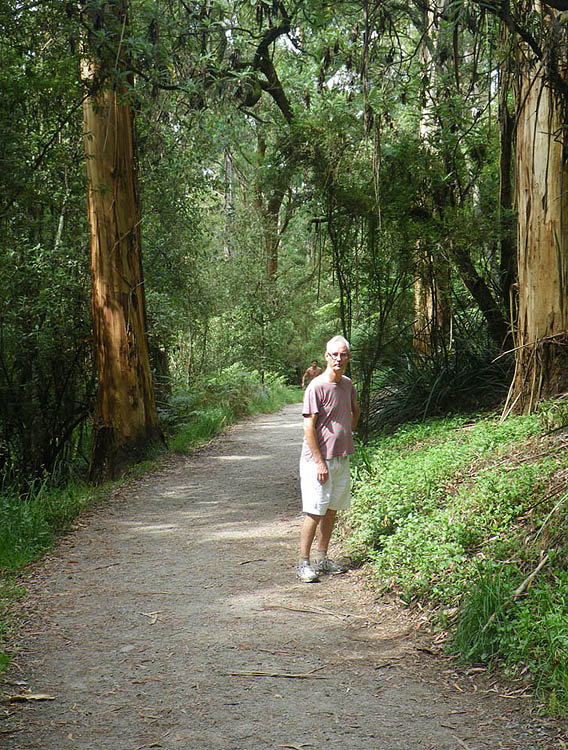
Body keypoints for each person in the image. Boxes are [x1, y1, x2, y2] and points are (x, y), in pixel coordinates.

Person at [297, 335, 360, 583]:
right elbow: (308, 427)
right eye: (334, 354)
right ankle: (303, 563)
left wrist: (347, 433)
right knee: (314, 511)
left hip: (341, 457)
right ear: (326, 356)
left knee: (332, 510)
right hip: (317, 461)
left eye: (343, 354)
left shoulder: (347, 384)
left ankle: (323, 558)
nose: (338, 359)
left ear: (348, 358)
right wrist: (319, 462)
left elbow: (354, 410)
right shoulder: (316, 386)